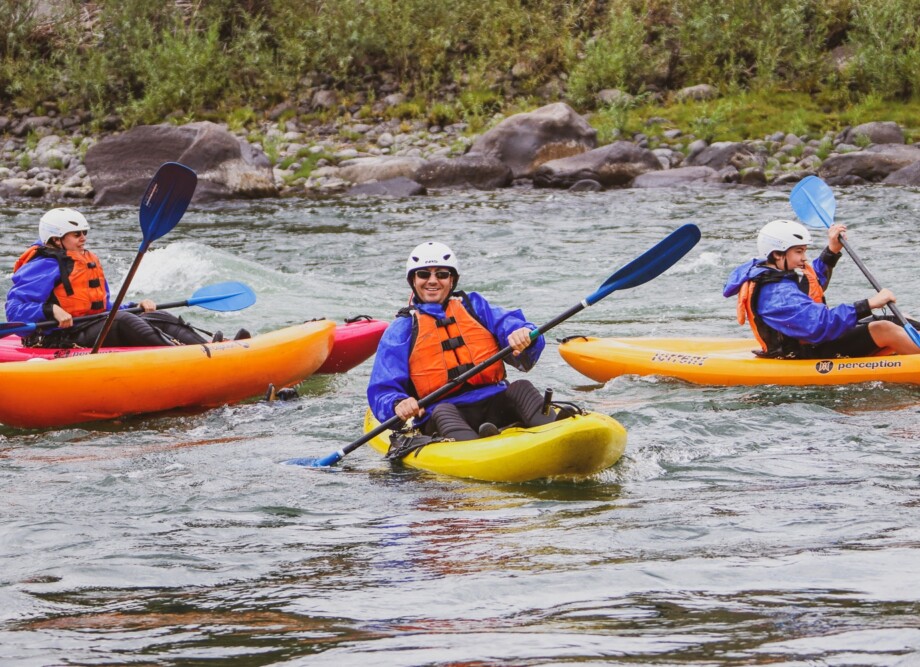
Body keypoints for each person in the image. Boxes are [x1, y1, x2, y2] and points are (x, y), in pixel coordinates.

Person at [367, 241, 564, 441]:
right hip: (444, 413)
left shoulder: (474, 307)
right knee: (443, 411)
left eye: (442, 274)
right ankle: (476, 446)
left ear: (452, 280)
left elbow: (511, 324)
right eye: (424, 274)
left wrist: (524, 334)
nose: (433, 281)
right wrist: (397, 403)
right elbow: (383, 389)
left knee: (521, 387)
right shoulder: (402, 329)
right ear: (413, 281)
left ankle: (558, 434)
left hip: (495, 403)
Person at [5, 207, 221, 348]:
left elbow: (101, 307)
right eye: (77, 234)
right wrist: (49, 310)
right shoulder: (42, 265)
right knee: (120, 321)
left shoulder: (85, 260)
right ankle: (184, 355)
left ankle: (211, 347)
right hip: (56, 337)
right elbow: (14, 310)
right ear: (56, 239)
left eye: (85, 233)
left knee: (157, 316)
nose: (83, 238)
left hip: (86, 325)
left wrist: (134, 305)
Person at [723, 218, 920, 359]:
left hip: (815, 339)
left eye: (804, 251)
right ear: (777, 254)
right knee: (883, 329)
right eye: (799, 251)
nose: (804, 257)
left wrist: (832, 250)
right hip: (801, 352)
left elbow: (813, 282)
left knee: (898, 318)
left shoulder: (779, 270)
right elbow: (818, 325)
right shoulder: (775, 294)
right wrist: (867, 305)